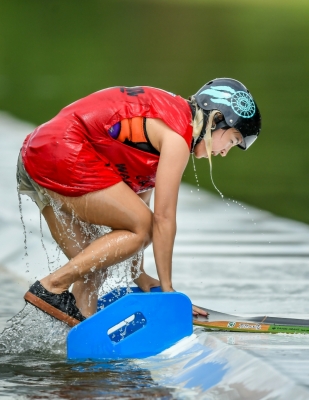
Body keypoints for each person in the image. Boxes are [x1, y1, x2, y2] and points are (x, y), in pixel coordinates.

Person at [17, 78, 261, 327]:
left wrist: (139, 275)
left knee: (94, 263)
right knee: (145, 228)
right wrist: (168, 292)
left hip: (38, 152)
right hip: (58, 151)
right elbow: (161, 220)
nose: (224, 152)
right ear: (217, 119)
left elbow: (136, 207)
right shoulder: (177, 136)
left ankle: (82, 340)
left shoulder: (162, 135)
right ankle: (52, 285)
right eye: (232, 140)